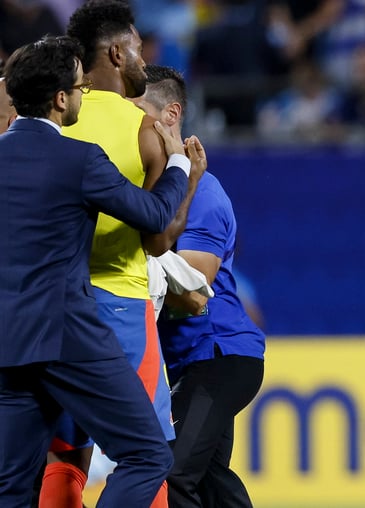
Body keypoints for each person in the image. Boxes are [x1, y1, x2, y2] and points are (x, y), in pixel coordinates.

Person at [0, 34, 204, 507]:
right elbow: (153, 218)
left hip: (9, 340)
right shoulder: (77, 158)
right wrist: (177, 165)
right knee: (148, 454)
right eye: (77, 87)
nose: (81, 94)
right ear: (60, 99)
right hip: (69, 334)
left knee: (11, 486)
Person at [138, 64, 267, 508]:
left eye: (136, 111)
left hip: (219, 355)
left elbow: (195, 286)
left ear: (170, 116)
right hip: (184, 360)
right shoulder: (140, 188)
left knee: (172, 475)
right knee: (211, 481)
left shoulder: (204, 191)